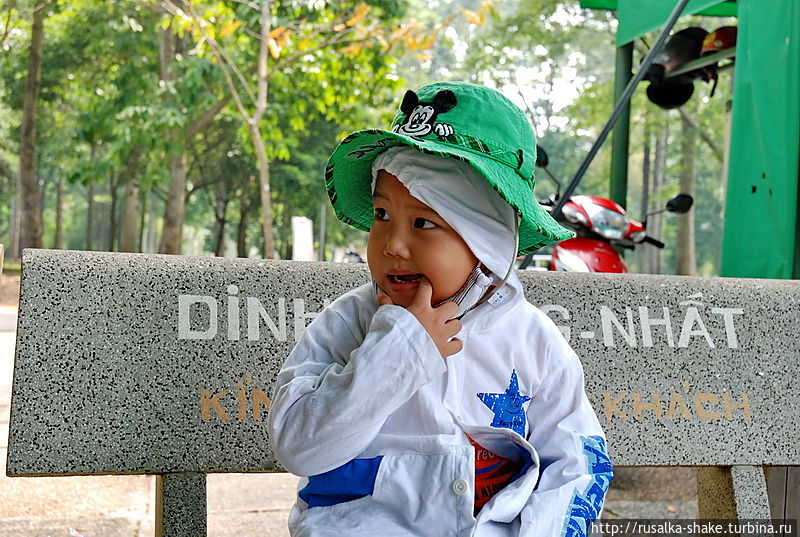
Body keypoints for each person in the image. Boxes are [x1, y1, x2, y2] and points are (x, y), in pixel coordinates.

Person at [267, 81, 613, 537]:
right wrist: (399, 349)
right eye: (381, 215)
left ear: (485, 240)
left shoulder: (533, 341)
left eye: (424, 222)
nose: (392, 244)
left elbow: (577, 465)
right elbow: (298, 447)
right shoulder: (347, 324)